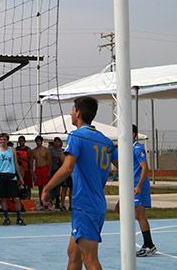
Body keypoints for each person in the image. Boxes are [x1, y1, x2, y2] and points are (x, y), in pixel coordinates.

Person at [42, 96, 118, 270]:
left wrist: (47, 188)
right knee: (73, 253)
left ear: (78, 112)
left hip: (85, 204)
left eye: (72, 109)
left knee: (90, 259)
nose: (70, 113)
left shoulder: (77, 136)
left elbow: (67, 168)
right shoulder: (104, 140)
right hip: (95, 203)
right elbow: (123, 165)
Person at [115, 124, 156, 257]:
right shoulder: (128, 149)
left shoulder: (137, 148)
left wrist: (138, 185)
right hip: (131, 186)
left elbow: (145, 167)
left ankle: (149, 245)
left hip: (139, 186)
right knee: (128, 213)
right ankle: (148, 244)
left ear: (133, 134)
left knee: (139, 215)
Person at [0, 133, 26, 226]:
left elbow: (16, 164)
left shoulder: (12, 150)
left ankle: (19, 217)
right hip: (1, 176)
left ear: (7, 140)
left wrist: (20, 177)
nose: (2, 141)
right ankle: (6, 217)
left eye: (4, 139)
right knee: (3, 198)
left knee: (16, 198)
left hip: (11, 176)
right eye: (1, 140)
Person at [32, 135, 51, 209]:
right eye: (37, 141)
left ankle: (47, 202)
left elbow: (49, 161)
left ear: (41, 142)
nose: (38, 143)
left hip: (45, 168)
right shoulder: (34, 151)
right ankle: (41, 202)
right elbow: (32, 162)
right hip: (38, 169)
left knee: (46, 186)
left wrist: (49, 171)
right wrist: (33, 173)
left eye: (39, 141)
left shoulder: (46, 150)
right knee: (40, 187)